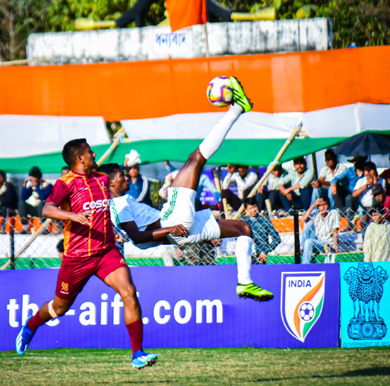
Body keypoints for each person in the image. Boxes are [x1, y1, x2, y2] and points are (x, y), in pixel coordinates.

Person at [100, 78, 273, 302]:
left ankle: (245, 283)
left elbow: (141, 241)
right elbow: (137, 237)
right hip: (173, 221)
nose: (125, 177)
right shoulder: (118, 204)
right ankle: (238, 108)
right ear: (110, 184)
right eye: (120, 175)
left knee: (243, 228)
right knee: (196, 158)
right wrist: (170, 228)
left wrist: (183, 235)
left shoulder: (118, 204)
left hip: (178, 232)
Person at [15, 139, 158, 370]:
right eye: (90, 151)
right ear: (80, 158)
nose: (94, 154)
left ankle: (137, 353)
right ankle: (30, 325)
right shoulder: (65, 183)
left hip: (106, 252)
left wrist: (127, 166)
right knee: (59, 309)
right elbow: (47, 208)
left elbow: (117, 183)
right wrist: (72, 216)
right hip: (77, 258)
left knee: (129, 291)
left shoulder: (102, 178)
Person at [301, 197, 340, 264]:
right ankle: (303, 247)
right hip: (317, 240)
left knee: (308, 241)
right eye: (321, 205)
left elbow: (335, 231)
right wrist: (314, 204)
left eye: (325, 204)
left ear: (329, 205)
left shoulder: (333, 213)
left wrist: (336, 249)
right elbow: (304, 219)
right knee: (308, 223)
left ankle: (305, 265)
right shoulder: (316, 213)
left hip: (326, 244)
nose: (323, 207)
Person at [243, 198, 281, 264]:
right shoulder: (243, 222)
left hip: (261, 256)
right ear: (246, 210)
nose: (253, 210)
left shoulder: (265, 221)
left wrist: (265, 251)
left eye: (255, 207)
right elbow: (237, 238)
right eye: (250, 208)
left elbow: (277, 239)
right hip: (247, 254)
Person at [18, 166, 53, 230]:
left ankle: (44, 228)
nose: (32, 181)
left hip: (43, 209)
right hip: (33, 208)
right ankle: (24, 227)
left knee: (42, 203)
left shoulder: (47, 185)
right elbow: (23, 198)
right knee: (21, 203)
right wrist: (24, 185)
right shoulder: (31, 186)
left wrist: (37, 187)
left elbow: (43, 197)